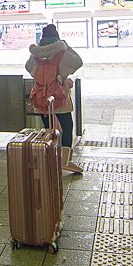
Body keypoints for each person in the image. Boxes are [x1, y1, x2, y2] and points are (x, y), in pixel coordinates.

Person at [25, 24, 84, 174]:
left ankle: (49, 158)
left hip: (42, 98)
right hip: (59, 97)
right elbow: (78, 62)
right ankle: (64, 161)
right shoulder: (62, 52)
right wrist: (66, 46)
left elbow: (29, 67)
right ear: (57, 36)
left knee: (49, 129)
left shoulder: (36, 54)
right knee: (67, 126)